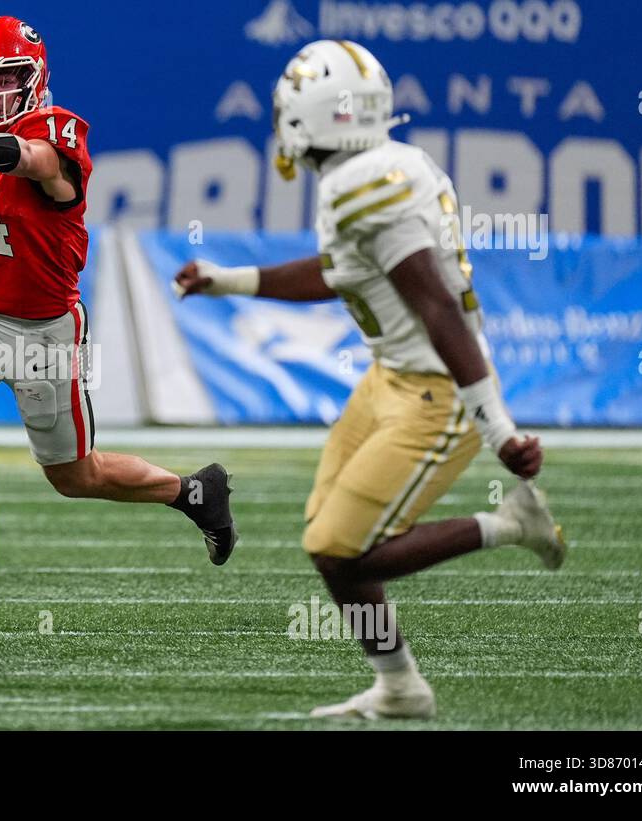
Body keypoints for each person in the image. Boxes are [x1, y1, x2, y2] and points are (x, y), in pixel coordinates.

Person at [174, 39, 566, 719]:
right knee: (329, 543)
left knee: (339, 546)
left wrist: (496, 426)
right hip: (392, 377)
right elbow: (342, 269)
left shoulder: (361, 183)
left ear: (308, 118)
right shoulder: (385, 165)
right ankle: (401, 686)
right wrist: (229, 280)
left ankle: (510, 524)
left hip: (434, 393)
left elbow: (435, 303)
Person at [0, 16, 239, 609]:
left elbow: (36, 164)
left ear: (34, 78)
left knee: (74, 477)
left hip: (41, 333)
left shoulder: (58, 128)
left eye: (4, 79)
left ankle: (192, 492)